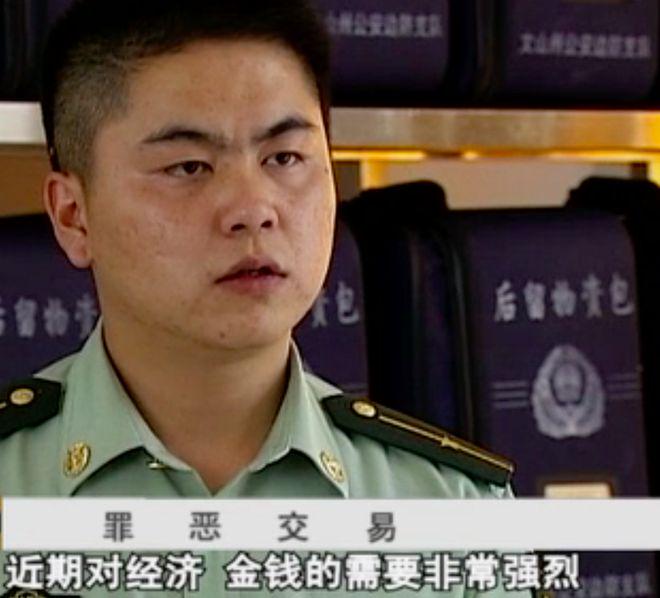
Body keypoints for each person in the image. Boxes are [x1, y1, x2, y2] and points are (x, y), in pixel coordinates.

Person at [0, 1, 531, 595]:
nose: (253, 209)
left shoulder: (452, 512)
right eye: (188, 167)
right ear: (73, 216)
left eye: (284, 158)